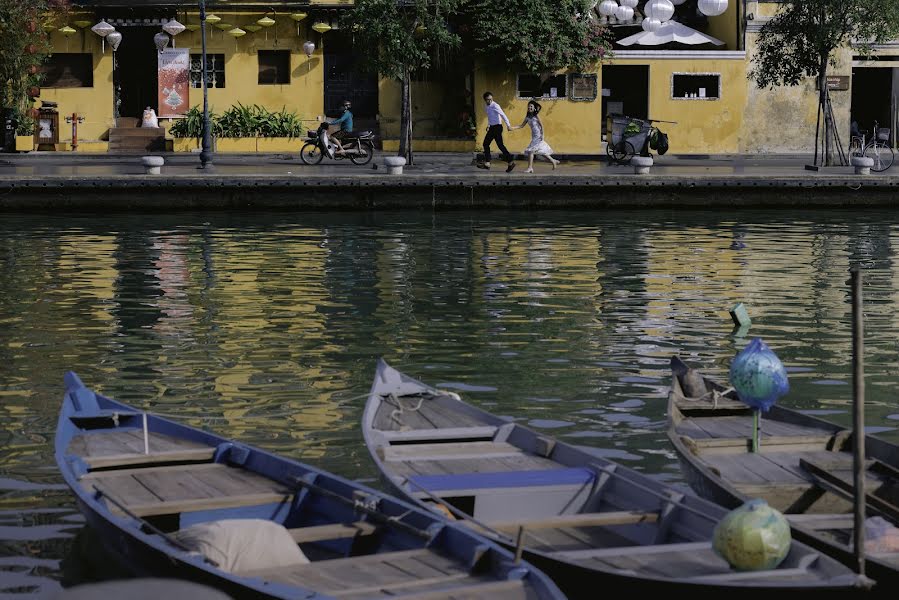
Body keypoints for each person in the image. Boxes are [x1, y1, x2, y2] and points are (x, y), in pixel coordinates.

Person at [509, 100, 559, 173]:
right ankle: (553, 161)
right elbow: (521, 126)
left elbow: (541, 125)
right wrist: (512, 128)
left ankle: (530, 168)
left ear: (534, 108)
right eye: (528, 106)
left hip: (538, 136)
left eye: (531, 106)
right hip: (534, 136)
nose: (529, 107)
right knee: (540, 151)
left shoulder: (536, 116)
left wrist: (543, 135)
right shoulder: (527, 117)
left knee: (531, 151)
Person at [479, 92, 515, 172]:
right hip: (492, 127)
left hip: (497, 127)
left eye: (491, 99)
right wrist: (488, 125)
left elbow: (503, 115)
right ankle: (510, 162)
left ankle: (488, 163)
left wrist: (508, 125)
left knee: (489, 144)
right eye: (488, 100)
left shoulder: (495, 105)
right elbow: (490, 117)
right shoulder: (487, 107)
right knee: (497, 145)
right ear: (485, 100)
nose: (490, 101)